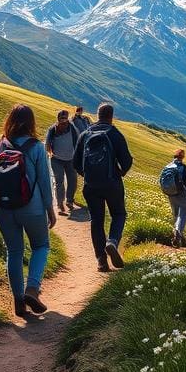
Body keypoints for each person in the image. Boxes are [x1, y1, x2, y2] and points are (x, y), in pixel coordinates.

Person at [0, 104, 56, 317]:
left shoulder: (0, 145)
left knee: (13, 252)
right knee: (41, 246)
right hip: (33, 208)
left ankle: (18, 302)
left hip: (3, 209)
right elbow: (43, 182)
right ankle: (32, 289)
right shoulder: (37, 147)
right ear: (31, 122)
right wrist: (50, 209)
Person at [74, 102, 133, 272]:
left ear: (97, 115)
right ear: (111, 116)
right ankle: (112, 241)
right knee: (119, 213)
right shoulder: (114, 134)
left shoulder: (85, 134)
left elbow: (75, 162)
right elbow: (127, 161)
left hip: (91, 185)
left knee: (96, 220)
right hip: (112, 183)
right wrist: (120, 173)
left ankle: (101, 261)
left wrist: (87, 175)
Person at [160, 148, 186, 247]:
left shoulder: (168, 166)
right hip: (180, 192)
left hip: (170, 193)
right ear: (183, 157)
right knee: (184, 213)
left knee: (176, 214)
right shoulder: (182, 167)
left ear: (174, 156)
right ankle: (178, 231)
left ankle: (179, 235)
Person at [45, 109, 79, 215]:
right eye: (61, 118)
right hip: (56, 159)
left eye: (65, 118)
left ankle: (69, 200)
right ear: (58, 119)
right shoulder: (52, 129)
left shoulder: (72, 128)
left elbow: (77, 141)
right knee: (59, 181)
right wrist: (50, 152)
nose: (63, 121)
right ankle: (60, 204)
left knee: (72, 180)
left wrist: (77, 156)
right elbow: (47, 143)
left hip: (70, 159)